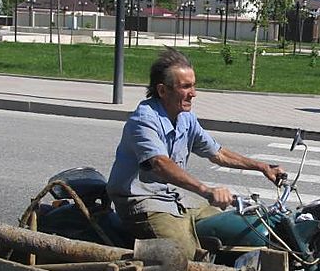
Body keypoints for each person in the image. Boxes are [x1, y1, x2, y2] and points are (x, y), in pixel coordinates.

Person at [107, 48, 285, 260]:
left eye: (193, 85)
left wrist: (262, 167)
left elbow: (217, 153)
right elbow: (160, 163)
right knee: (184, 255)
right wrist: (206, 190)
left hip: (175, 198)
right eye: (185, 86)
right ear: (162, 90)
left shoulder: (185, 118)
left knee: (228, 228)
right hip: (144, 201)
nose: (193, 93)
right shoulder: (144, 120)